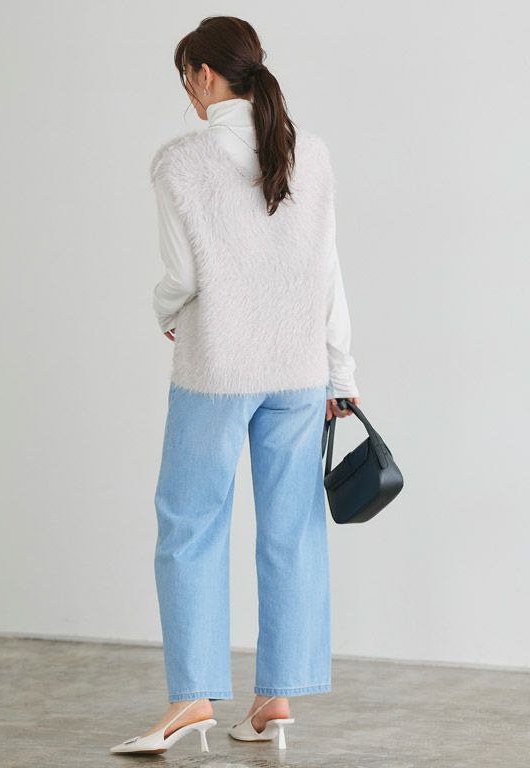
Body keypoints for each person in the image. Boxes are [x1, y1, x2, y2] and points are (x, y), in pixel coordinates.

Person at [110, 14, 361, 755]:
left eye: (185, 78)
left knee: (190, 525)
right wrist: (342, 370)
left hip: (216, 370)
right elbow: (328, 272)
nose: (186, 92)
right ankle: (274, 699)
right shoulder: (310, 153)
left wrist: (164, 311)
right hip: (298, 372)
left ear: (203, 75)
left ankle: (191, 699)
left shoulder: (179, 162)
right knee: (292, 531)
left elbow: (182, 278)